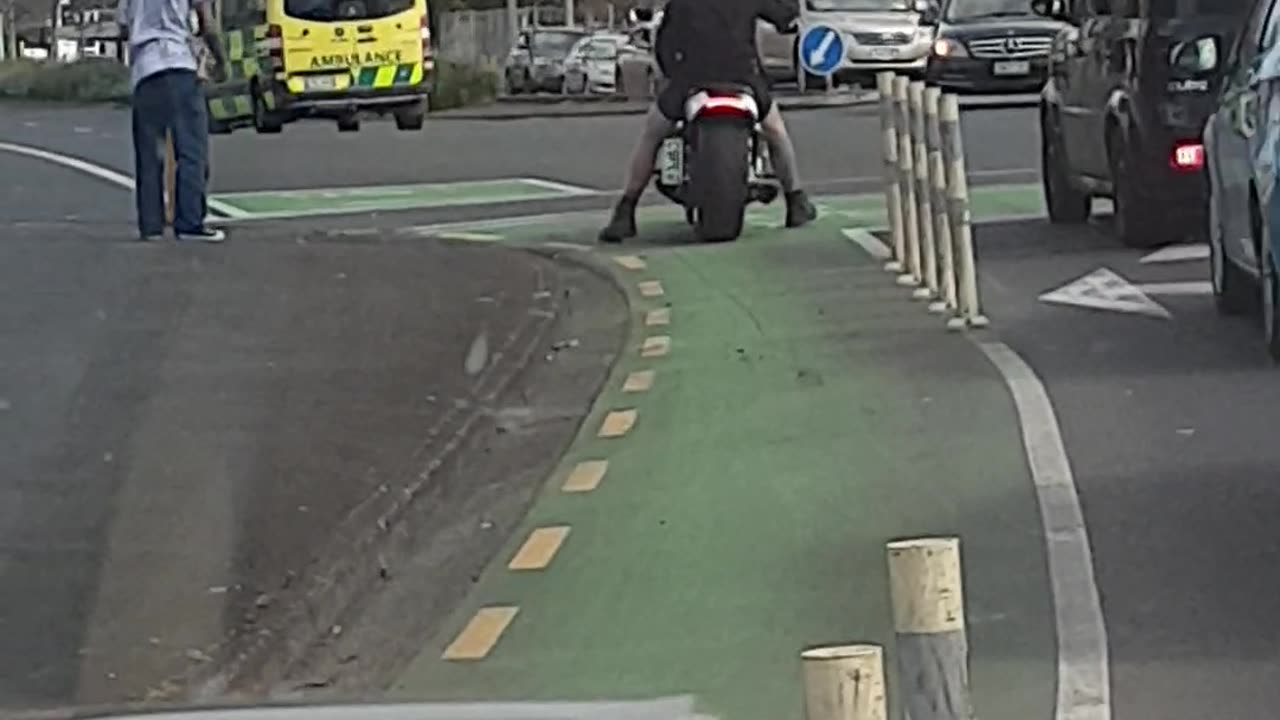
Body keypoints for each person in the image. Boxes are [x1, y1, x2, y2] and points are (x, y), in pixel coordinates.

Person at [598, 0, 818, 243]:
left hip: (692, 79)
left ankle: (626, 209)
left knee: (653, 134)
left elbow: (665, 45)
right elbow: (784, 15)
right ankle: (795, 199)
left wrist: (672, 75)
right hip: (742, 77)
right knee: (776, 132)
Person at [117, 0, 226, 242]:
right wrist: (221, 60)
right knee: (191, 149)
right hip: (178, 63)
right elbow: (207, 24)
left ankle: (151, 225)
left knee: (149, 153)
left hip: (145, 71)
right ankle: (189, 221)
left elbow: (123, 28)